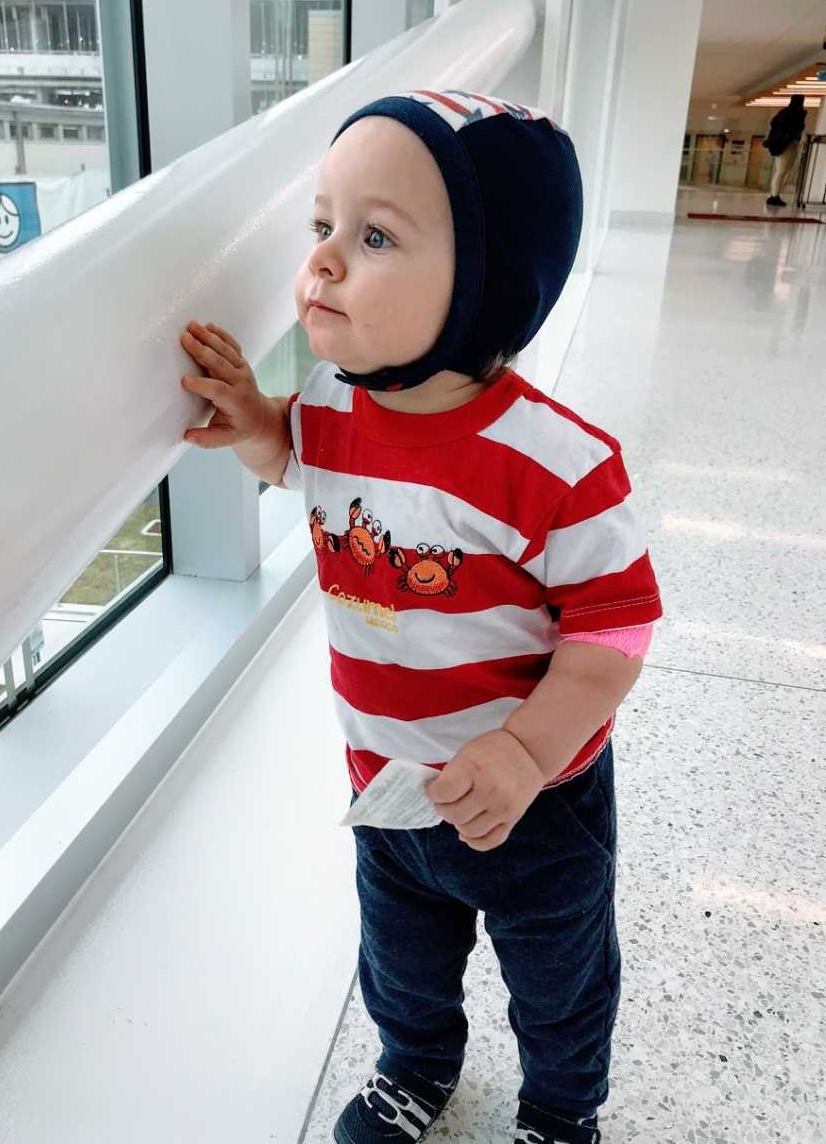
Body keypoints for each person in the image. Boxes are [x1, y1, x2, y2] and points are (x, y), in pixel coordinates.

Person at [178, 89, 663, 1144]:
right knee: (399, 957)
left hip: (539, 804)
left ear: (489, 282)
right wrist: (263, 427)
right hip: (388, 784)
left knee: (560, 973)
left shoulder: (560, 463)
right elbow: (300, 465)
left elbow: (616, 626)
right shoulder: (333, 405)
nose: (323, 262)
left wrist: (529, 751)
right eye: (322, 226)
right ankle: (413, 1067)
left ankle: (561, 1106)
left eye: (376, 234)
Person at [765, 93, 807, 208]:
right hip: (786, 146)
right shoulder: (795, 114)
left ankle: (775, 194)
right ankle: (775, 196)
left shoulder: (782, 113)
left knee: (781, 171)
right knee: (782, 171)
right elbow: (797, 129)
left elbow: (773, 125)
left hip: (780, 145)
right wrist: (799, 137)